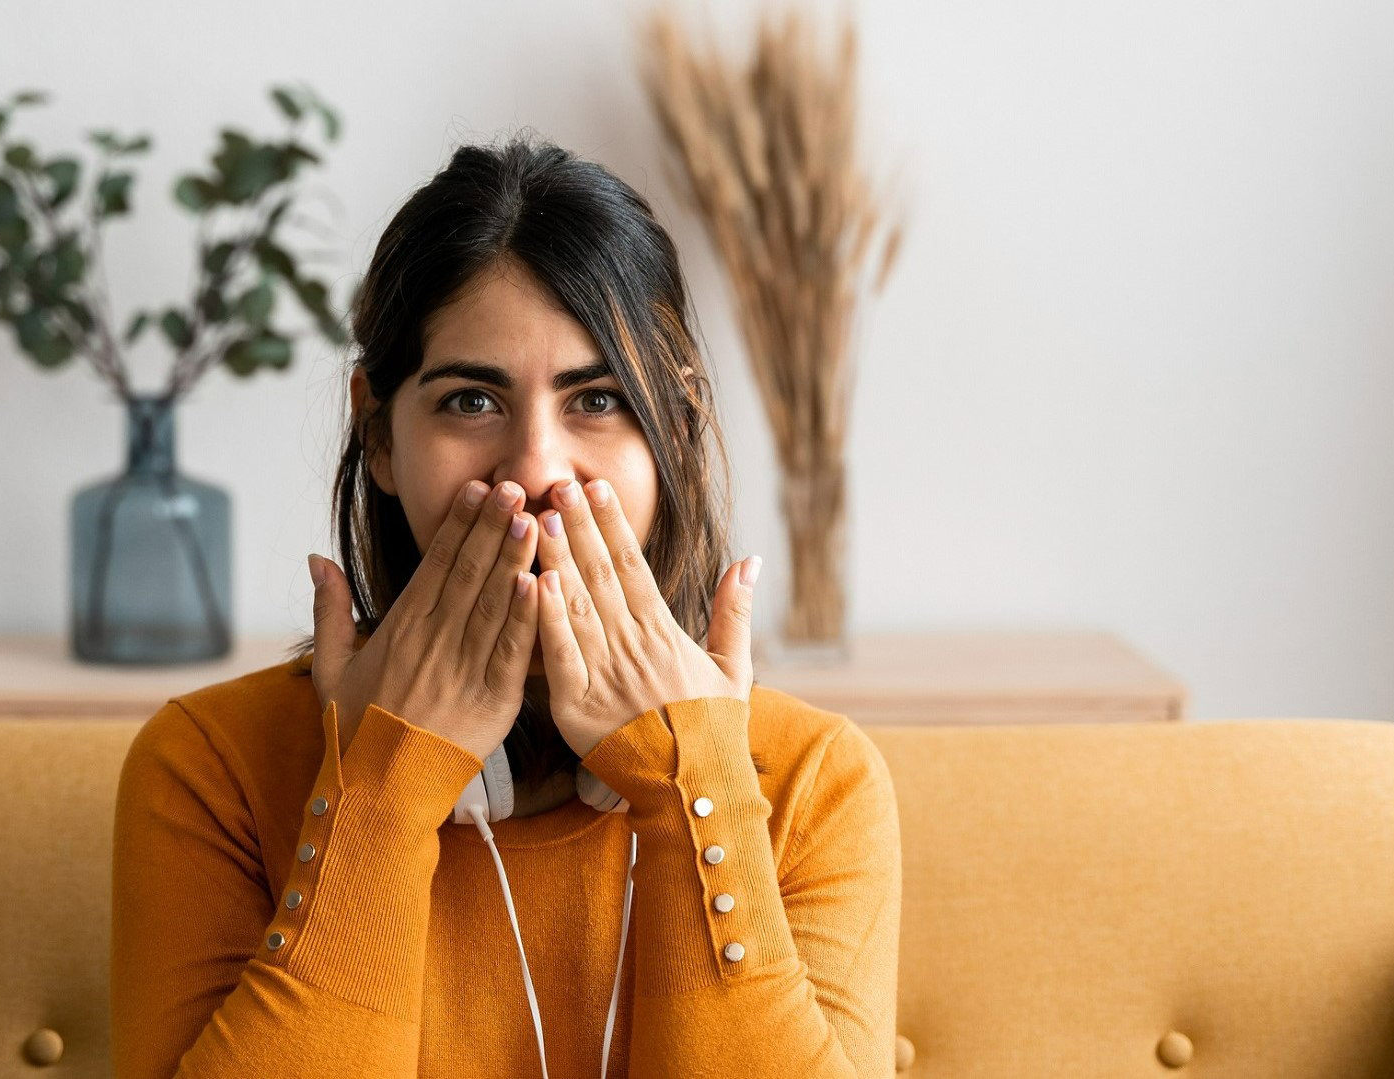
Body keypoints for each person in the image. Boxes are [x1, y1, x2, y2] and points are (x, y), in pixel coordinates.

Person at [110, 135, 901, 1079]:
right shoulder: (212, 766)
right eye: (471, 401)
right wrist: (377, 796)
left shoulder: (814, 782)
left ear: (676, 433)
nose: (533, 470)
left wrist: (697, 790)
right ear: (380, 437)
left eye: (598, 399)